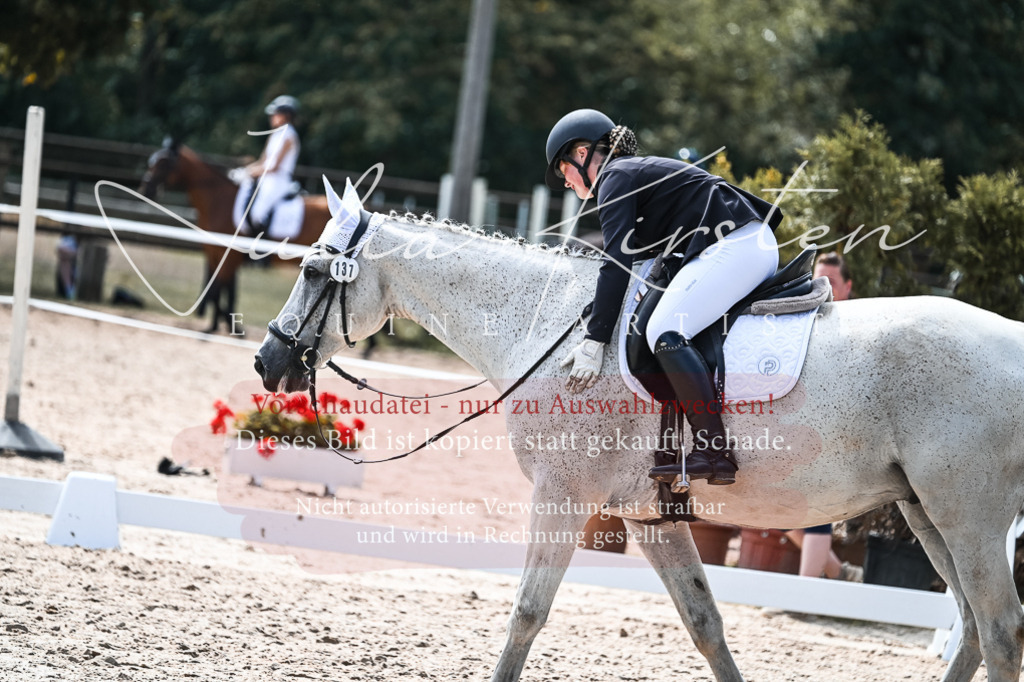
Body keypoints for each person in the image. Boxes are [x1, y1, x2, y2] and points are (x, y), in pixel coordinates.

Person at [547, 109, 784, 486]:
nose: (566, 183)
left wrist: (596, 339)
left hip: (736, 245)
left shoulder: (614, 177)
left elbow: (616, 261)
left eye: (563, 171)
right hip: (739, 242)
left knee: (665, 330)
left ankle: (713, 449)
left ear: (581, 153)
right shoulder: (630, 176)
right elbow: (642, 264)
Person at [782, 251, 859, 580]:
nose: (824, 288)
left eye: (832, 282)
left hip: (836, 426)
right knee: (781, 513)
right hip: (799, 423)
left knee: (815, 508)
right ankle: (841, 573)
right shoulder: (806, 317)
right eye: (819, 280)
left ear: (848, 287)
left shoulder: (856, 323)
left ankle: (804, 594)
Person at [241, 95, 301, 234]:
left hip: (277, 180)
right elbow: (263, 161)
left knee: (257, 213)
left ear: (286, 115)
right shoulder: (275, 134)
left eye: (275, 113)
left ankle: (261, 249)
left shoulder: (289, 135)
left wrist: (251, 172)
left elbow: (274, 166)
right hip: (266, 178)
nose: (272, 117)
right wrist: (245, 170)